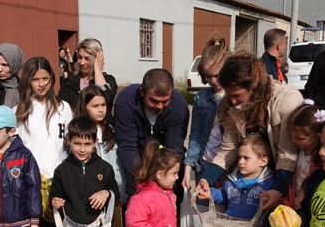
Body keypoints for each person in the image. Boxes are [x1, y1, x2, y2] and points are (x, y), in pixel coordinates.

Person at [196, 52, 302, 212]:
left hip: (284, 178)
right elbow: (228, 147)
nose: (232, 101)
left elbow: (287, 152)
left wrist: (279, 190)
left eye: (237, 95)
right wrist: (208, 177)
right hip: (252, 180)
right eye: (229, 95)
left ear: (253, 87)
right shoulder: (230, 103)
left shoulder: (287, 100)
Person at [14, 56, 73, 227]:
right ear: (27, 81)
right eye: (36, 79)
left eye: (46, 79)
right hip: (30, 182)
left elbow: (68, 143)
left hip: (56, 179)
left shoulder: (64, 108)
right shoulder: (18, 111)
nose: (41, 84)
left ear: (52, 79)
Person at [115, 68, 189, 200]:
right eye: (154, 101)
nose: (160, 106)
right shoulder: (126, 101)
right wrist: (140, 186)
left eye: (165, 101)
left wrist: (162, 187)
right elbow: (127, 147)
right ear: (142, 92)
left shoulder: (179, 105)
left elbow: (173, 150)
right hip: (136, 159)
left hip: (165, 164)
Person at [182, 33, 230, 191]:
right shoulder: (201, 98)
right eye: (209, 76)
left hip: (229, 164)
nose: (214, 81)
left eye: (218, 76)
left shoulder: (234, 97)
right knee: (203, 210)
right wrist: (188, 167)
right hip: (204, 162)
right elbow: (195, 134)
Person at [76, 85, 126, 201]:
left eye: (103, 105)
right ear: (84, 107)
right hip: (90, 199)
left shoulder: (112, 131)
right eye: (95, 106)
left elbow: (119, 167)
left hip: (114, 195)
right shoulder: (77, 133)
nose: (101, 110)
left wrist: (121, 195)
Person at [283, 102, 325, 209]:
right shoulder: (298, 152)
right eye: (291, 137)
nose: (293, 141)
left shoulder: (321, 160)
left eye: (300, 138)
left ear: (317, 136)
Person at [58, 38, 117, 115]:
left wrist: (98, 70)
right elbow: (61, 110)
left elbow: (106, 100)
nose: (82, 62)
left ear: (97, 59)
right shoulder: (69, 82)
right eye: (79, 57)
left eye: (87, 58)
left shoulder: (109, 80)